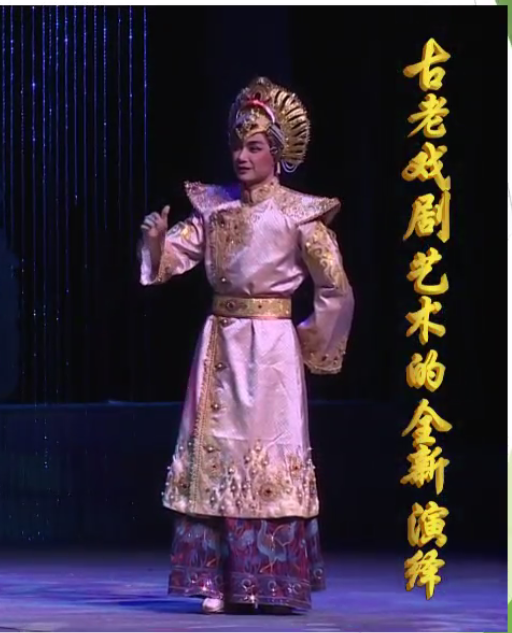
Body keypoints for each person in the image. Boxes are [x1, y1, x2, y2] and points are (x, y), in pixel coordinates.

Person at [139, 77, 354, 615]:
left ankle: (269, 583)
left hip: (273, 350)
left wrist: (309, 343)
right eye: (238, 145)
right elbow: (173, 260)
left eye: (254, 146)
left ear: (276, 154)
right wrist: (156, 243)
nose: (242, 155)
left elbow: (335, 288)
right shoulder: (215, 208)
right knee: (217, 455)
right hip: (221, 343)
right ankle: (214, 580)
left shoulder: (299, 215)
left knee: (269, 459)